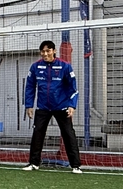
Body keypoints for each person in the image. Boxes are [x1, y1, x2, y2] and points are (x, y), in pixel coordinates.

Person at [23, 39, 82, 173]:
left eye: (48, 51)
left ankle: (76, 165)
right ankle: (34, 163)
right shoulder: (35, 67)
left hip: (61, 107)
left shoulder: (65, 66)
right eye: (43, 51)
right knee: (37, 133)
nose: (45, 54)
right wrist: (29, 105)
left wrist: (72, 105)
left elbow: (73, 88)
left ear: (54, 51)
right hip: (43, 107)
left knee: (68, 134)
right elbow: (30, 87)